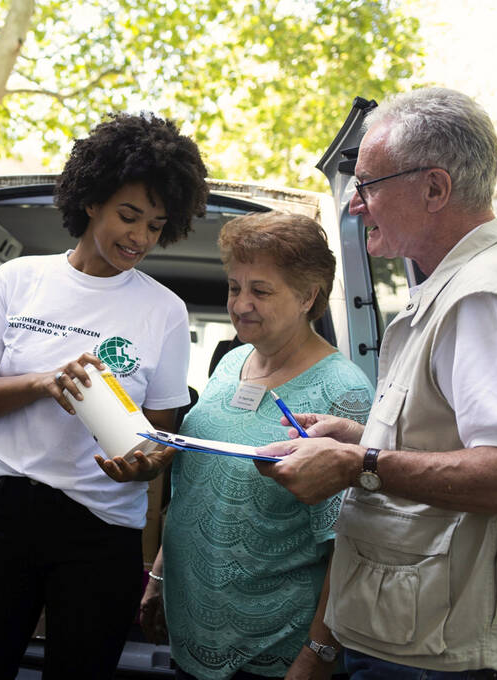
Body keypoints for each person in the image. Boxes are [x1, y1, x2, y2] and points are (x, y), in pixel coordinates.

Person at [256, 87, 497, 680]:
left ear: (435, 189)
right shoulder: (471, 283)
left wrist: (357, 463)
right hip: (433, 638)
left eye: (367, 185)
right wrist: (361, 437)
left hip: (450, 657)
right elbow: (463, 438)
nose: (355, 207)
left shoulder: (481, 297)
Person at [0, 112, 208, 679]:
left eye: (156, 226)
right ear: (91, 200)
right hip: (10, 515)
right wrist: (43, 384)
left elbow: (158, 435)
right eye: (129, 215)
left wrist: (141, 466)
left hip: (103, 530)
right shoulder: (20, 279)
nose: (139, 238)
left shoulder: (163, 310)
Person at [129, 212, 373, 680]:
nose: (240, 304)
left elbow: (350, 549)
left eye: (260, 291)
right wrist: (159, 576)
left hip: (271, 650)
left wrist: (316, 656)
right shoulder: (233, 361)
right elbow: (199, 487)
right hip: (191, 629)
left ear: (308, 296)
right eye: (234, 287)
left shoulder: (344, 392)